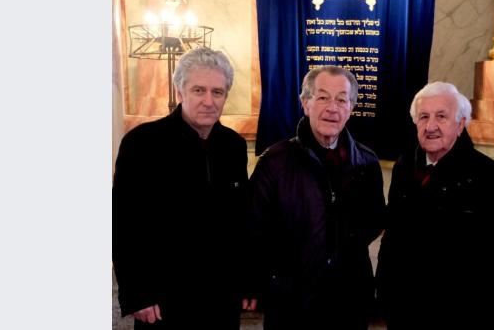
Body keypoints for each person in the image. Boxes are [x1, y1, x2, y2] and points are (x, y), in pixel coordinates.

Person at [112, 47, 252, 329]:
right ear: (180, 92)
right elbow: (124, 222)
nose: (209, 101)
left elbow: (241, 221)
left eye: (218, 92)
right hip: (165, 297)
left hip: (221, 295)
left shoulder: (233, 146)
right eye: (199, 90)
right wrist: (137, 292)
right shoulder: (142, 143)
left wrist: (247, 280)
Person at [246, 65, 386, 329]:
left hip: (350, 298)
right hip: (291, 300)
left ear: (351, 108)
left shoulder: (367, 162)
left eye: (341, 100)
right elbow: (253, 227)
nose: (332, 108)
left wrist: (342, 246)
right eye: (322, 97)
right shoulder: (275, 161)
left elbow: (375, 219)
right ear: (305, 103)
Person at [376, 82, 494, 329]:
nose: (430, 126)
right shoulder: (404, 167)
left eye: (441, 117)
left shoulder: (486, 174)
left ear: (460, 123)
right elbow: (393, 236)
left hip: (460, 313)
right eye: (423, 117)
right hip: (404, 309)